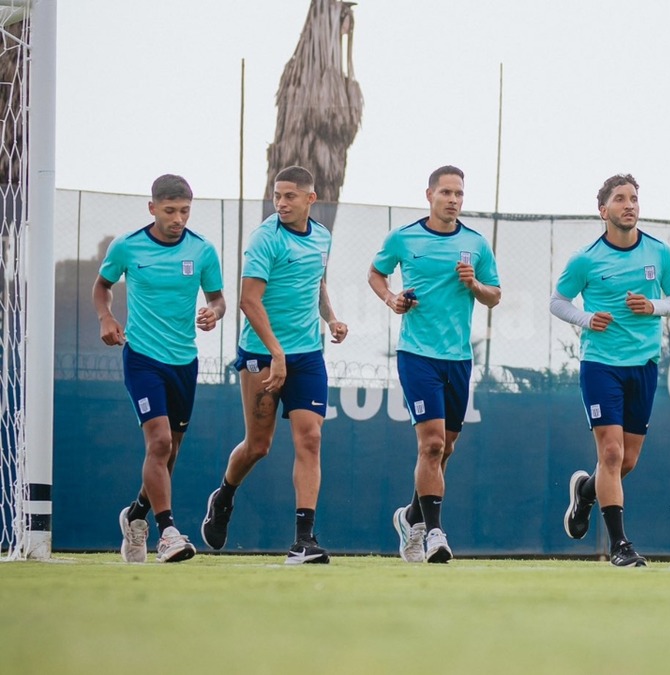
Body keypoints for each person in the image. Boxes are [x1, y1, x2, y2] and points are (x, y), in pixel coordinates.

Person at [200, 165, 349, 564]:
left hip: (307, 355)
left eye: (289, 196)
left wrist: (330, 318)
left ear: (309, 199)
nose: (281, 203)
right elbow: (249, 301)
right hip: (261, 354)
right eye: (277, 196)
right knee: (259, 446)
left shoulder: (322, 237)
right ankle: (225, 496)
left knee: (311, 439)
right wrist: (277, 355)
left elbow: (314, 282)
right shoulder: (265, 238)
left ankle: (304, 540)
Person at [369, 165, 501, 564]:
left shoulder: (476, 245)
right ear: (429, 195)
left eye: (459, 193)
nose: (453, 200)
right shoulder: (404, 237)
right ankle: (434, 533)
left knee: (446, 448)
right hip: (417, 355)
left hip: (458, 359)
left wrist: (474, 285)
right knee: (431, 444)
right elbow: (376, 273)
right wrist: (392, 299)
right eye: (446, 192)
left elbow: (494, 295)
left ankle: (410, 517)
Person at [555, 174, 670, 567]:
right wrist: (585, 318)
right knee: (610, 453)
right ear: (603, 210)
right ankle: (620, 546)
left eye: (634, 199)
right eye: (620, 199)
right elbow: (558, 301)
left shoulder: (659, 253)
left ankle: (586, 493)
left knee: (626, 461)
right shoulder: (585, 258)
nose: (629, 205)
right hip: (601, 366)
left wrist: (654, 307)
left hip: (643, 366)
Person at [94, 174, 225, 563]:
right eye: (170, 211)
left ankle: (135, 515)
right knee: (160, 443)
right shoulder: (128, 247)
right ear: (152, 208)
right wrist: (106, 317)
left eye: (184, 211)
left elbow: (218, 298)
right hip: (143, 358)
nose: (178, 218)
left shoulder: (202, 251)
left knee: (170, 452)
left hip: (184, 361)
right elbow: (102, 286)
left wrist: (213, 314)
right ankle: (167, 532)